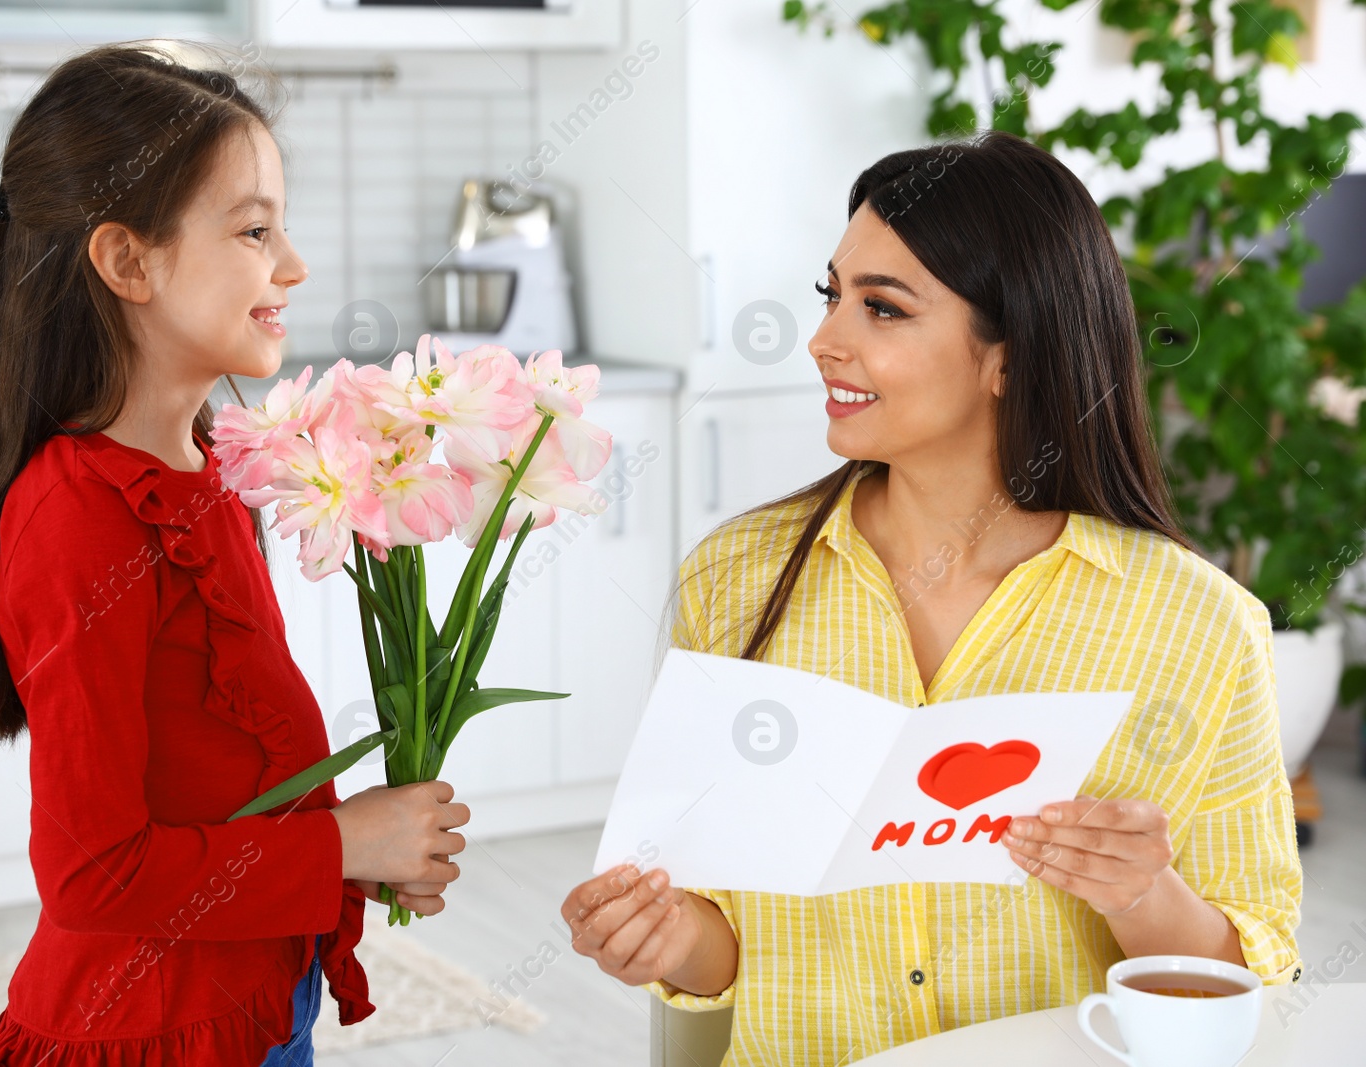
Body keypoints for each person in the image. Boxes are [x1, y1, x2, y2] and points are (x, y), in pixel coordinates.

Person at [559, 131, 1304, 1065]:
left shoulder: (1201, 626)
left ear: (1009, 353)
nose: (825, 340)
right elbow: (727, 946)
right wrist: (667, 940)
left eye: (882, 309)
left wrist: (1139, 893)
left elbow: (1256, 978)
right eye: (833, 296)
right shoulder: (737, 577)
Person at [0, 44, 469, 1066]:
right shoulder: (80, 515)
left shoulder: (204, 465)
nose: (293, 264)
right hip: (155, 1031)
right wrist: (343, 841)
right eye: (254, 230)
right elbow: (93, 873)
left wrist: (354, 854)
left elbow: (218, 773)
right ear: (127, 262)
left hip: (251, 992)